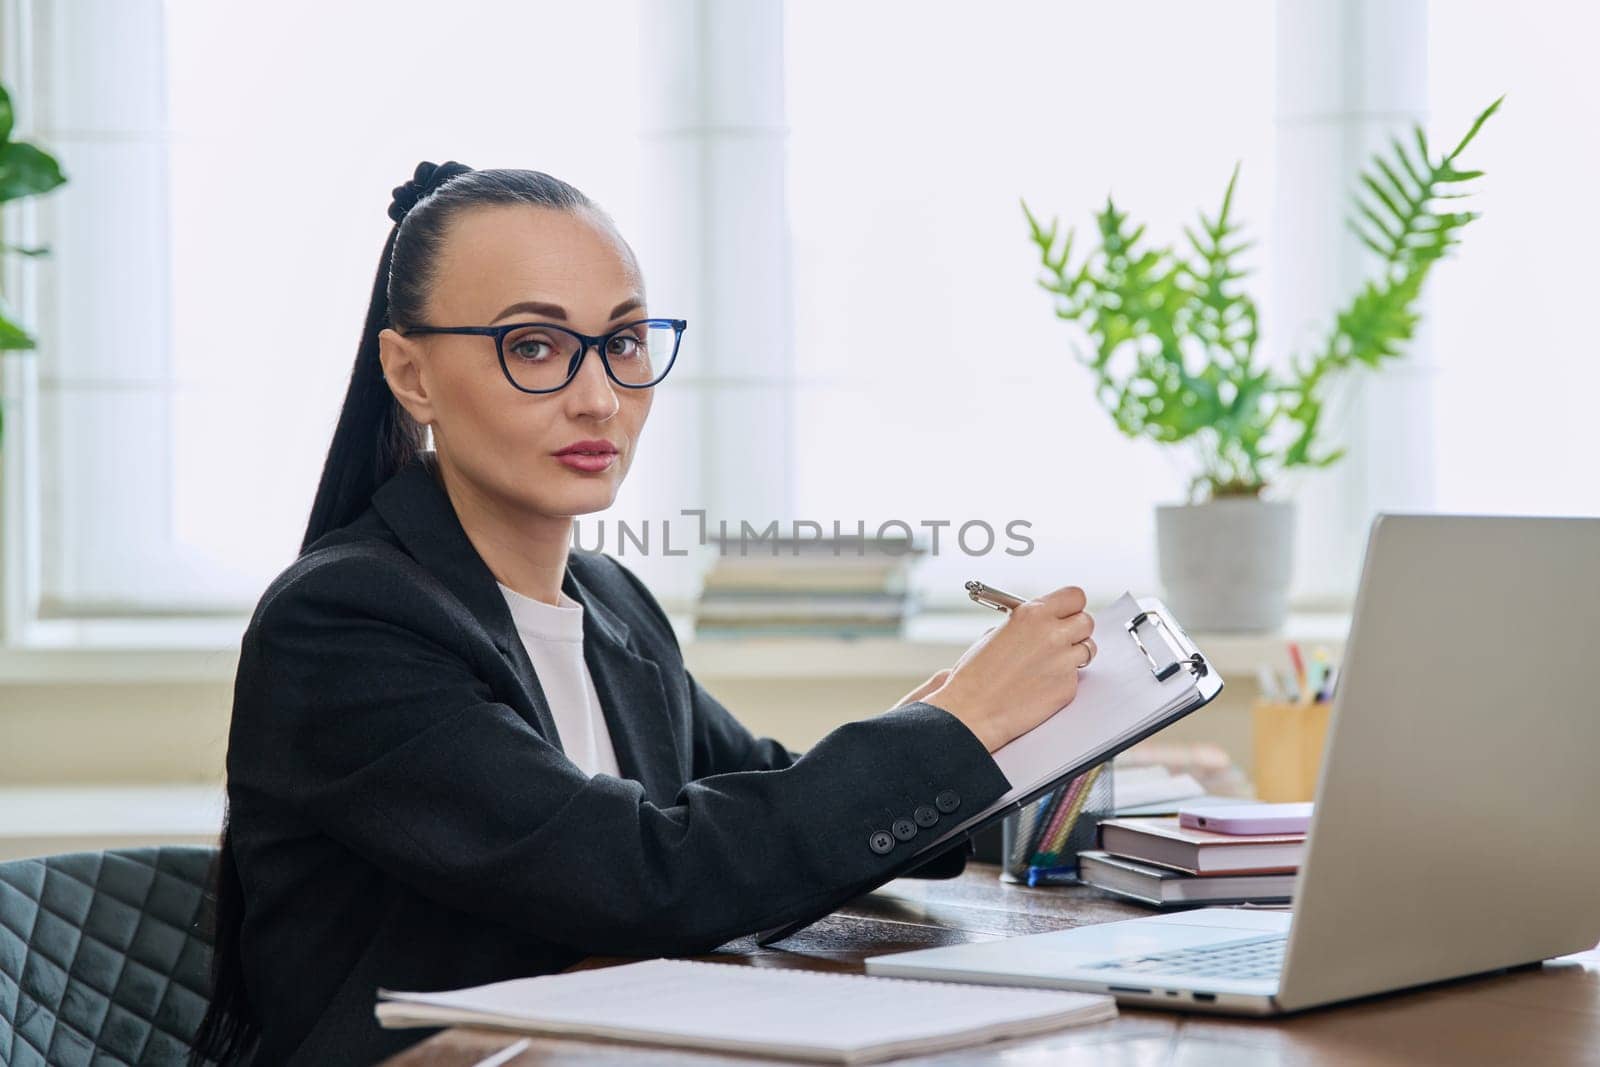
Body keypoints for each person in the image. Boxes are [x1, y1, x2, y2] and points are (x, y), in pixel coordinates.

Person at [190, 161, 1098, 1066]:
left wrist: (1049, 762)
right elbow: (647, 872)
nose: (599, 397)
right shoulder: (343, 626)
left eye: (622, 342)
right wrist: (952, 728)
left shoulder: (614, 604)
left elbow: (772, 798)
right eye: (534, 347)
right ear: (411, 374)